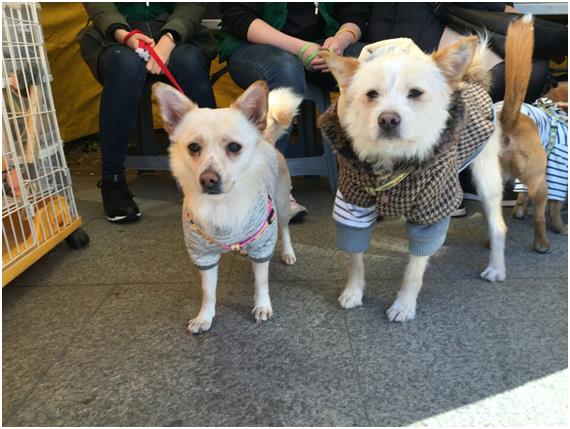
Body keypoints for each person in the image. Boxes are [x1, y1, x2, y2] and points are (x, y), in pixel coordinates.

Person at [218, 2, 370, 221]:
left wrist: (339, 41)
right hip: (256, 48)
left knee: (368, 62)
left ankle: (364, 185)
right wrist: (299, 48)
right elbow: (236, 16)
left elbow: (356, 13)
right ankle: (268, 188)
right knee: (286, 70)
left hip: (320, 47)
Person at [79, 3, 217, 223]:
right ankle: (112, 179)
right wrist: (124, 35)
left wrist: (169, 38)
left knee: (189, 62)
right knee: (125, 64)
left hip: (177, 35)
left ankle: (214, 171)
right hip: (115, 36)